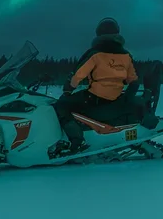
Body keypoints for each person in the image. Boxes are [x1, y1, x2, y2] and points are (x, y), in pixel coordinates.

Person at [53, 17, 139, 154]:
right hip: (117, 99)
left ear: (98, 33)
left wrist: (68, 90)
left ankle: (77, 140)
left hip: (95, 98)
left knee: (61, 105)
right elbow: (134, 80)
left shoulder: (95, 53)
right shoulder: (126, 55)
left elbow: (77, 76)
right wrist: (128, 96)